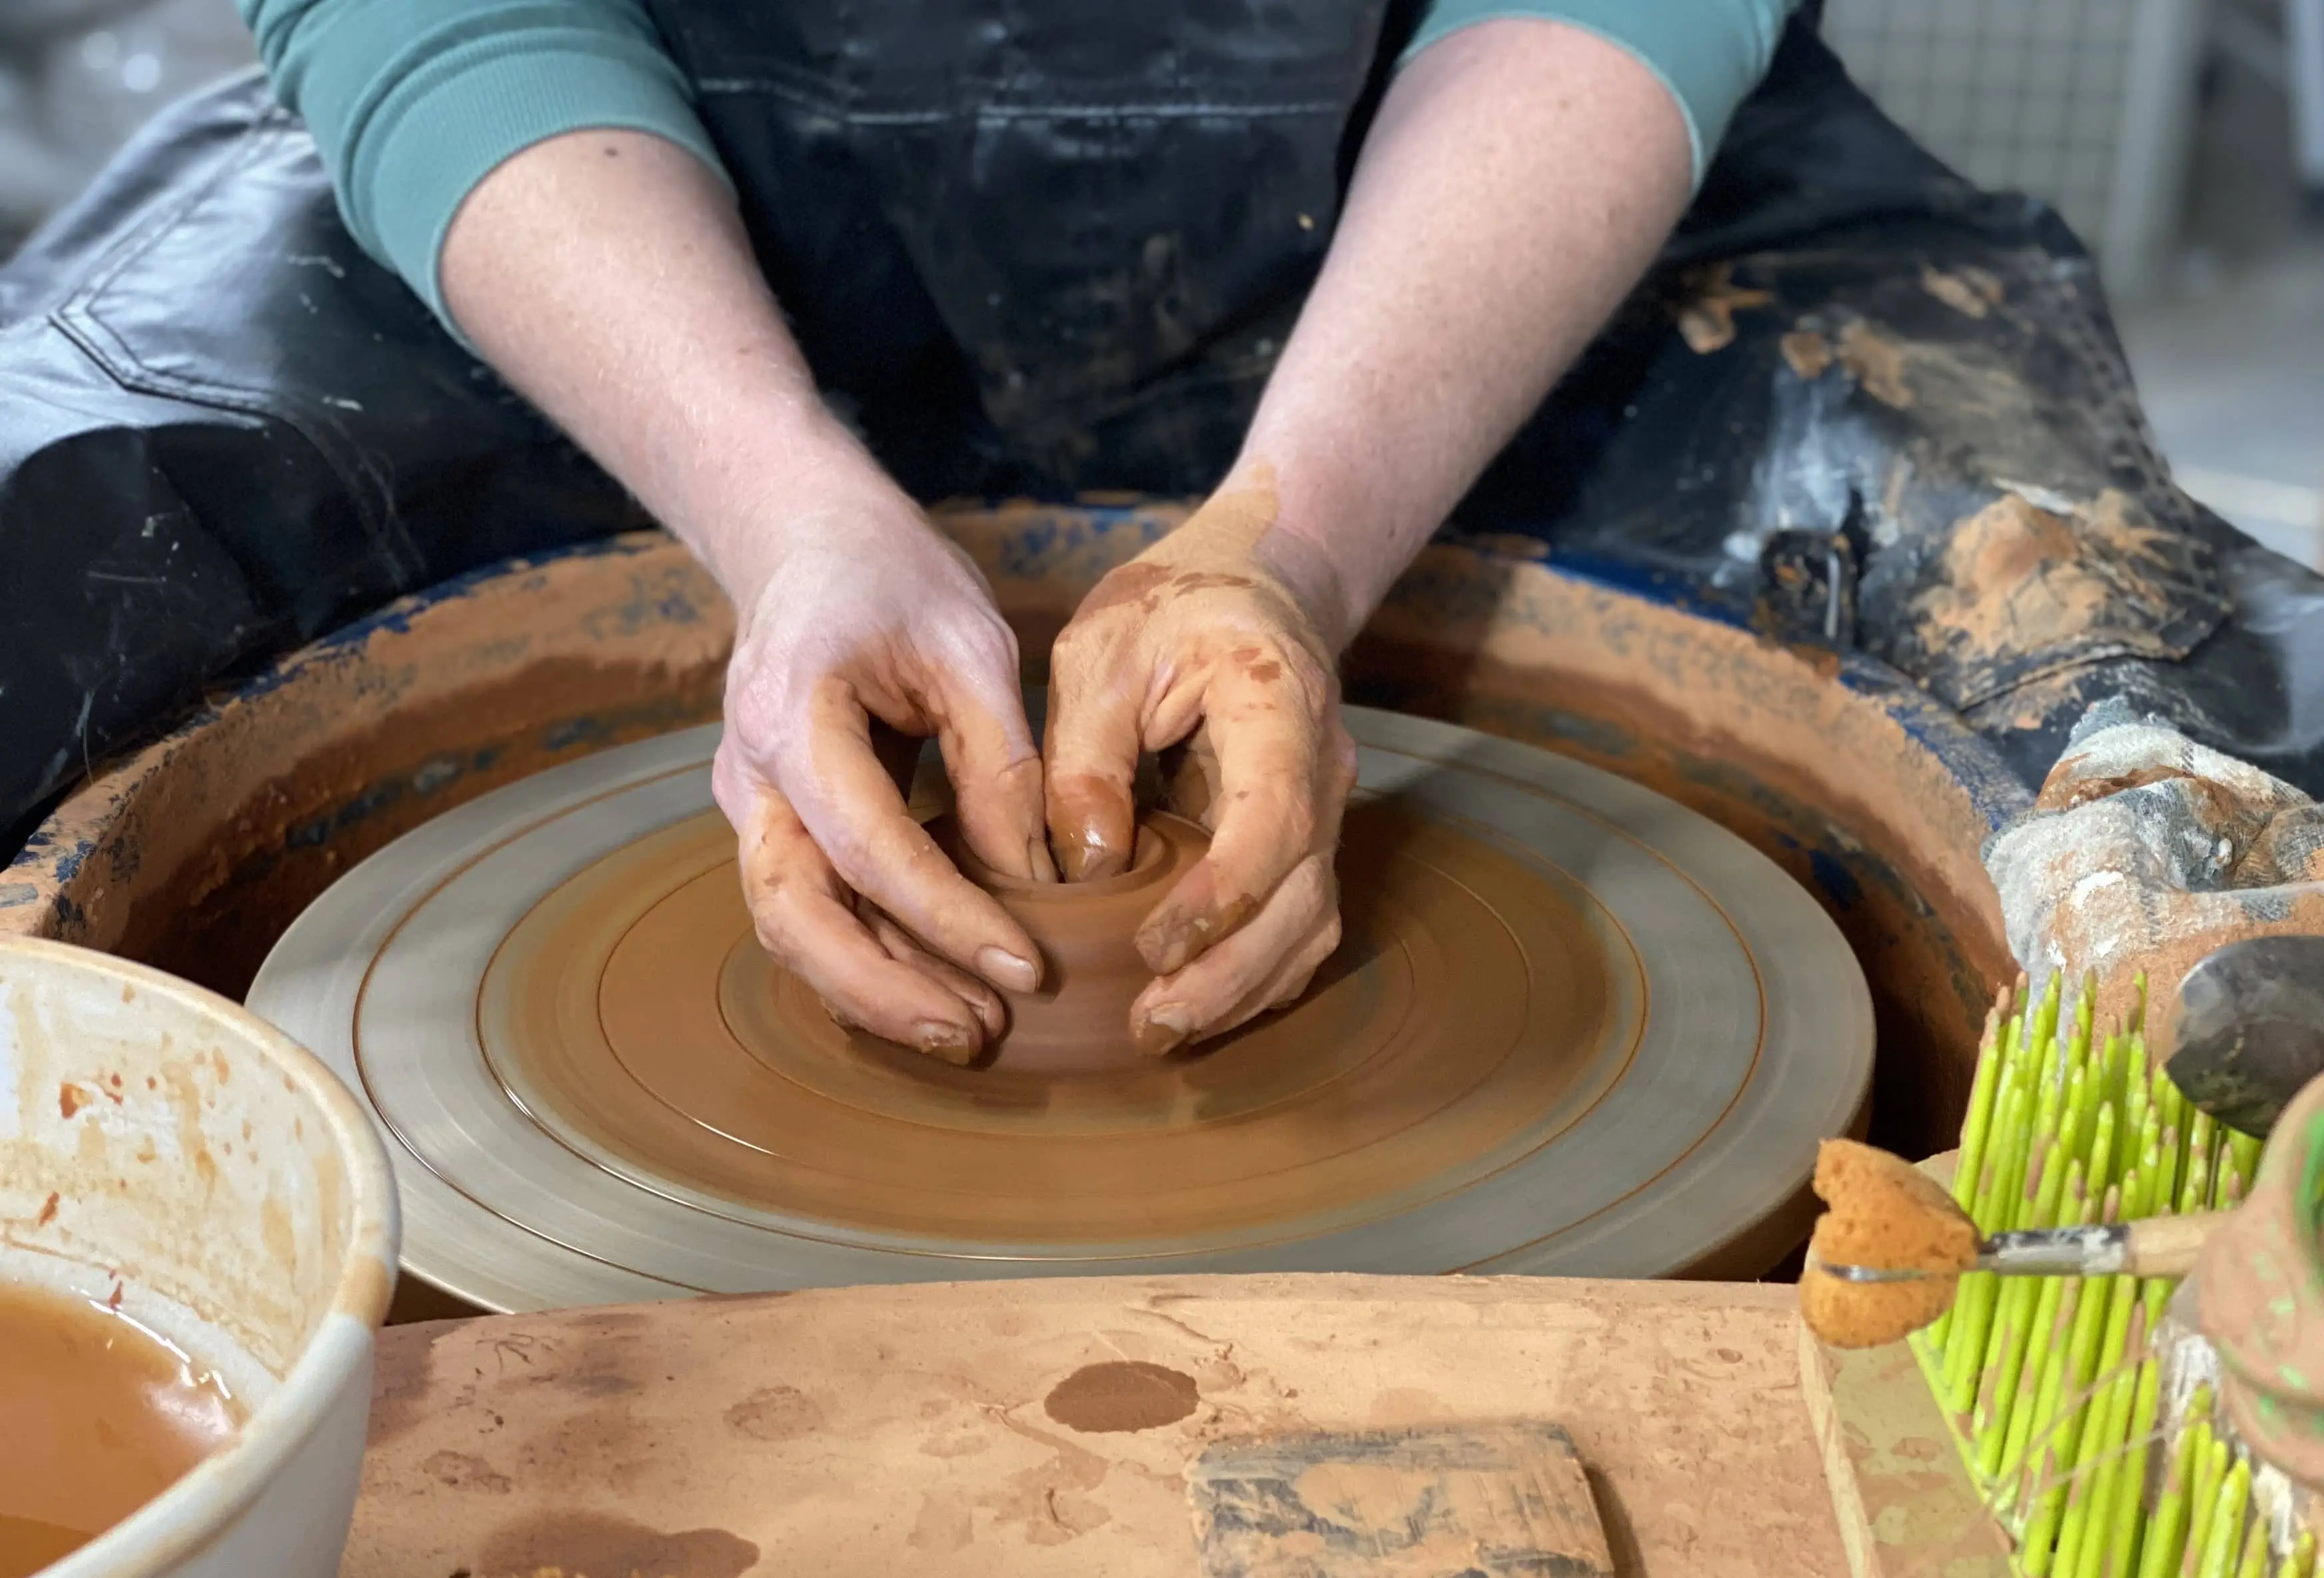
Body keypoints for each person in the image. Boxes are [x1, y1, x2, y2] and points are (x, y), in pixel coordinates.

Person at [4, 1, 2317, 1059]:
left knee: (2145, 750)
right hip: (620, 195)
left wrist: (1293, 549)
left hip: (1478, 186)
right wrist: (781, 510)